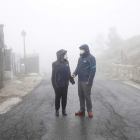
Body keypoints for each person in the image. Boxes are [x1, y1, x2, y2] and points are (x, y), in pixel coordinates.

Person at [71, 44, 96, 118]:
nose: (81, 51)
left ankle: (89, 111)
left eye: (82, 49)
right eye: (80, 49)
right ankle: (82, 110)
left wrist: (90, 80)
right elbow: (78, 67)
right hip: (80, 79)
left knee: (87, 96)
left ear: (86, 49)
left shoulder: (91, 58)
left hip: (86, 80)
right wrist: (74, 74)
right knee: (80, 95)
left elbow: (93, 69)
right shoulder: (80, 58)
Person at [52, 49, 75, 116]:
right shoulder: (55, 63)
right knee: (57, 98)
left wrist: (71, 80)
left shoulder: (66, 62)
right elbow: (53, 76)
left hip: (65, 84)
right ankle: (57, 110)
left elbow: (68, 72)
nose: (65, 55)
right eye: (64, 54)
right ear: (60, 55)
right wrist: (55, 86)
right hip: (58, 85)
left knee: (64, 97)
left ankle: (63, 109)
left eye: (65, 54)